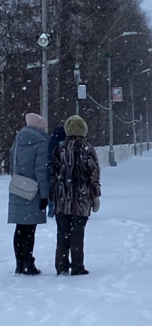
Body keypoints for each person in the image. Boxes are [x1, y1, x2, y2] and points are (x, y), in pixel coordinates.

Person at [51, 115, 100, 276]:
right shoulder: (87, 149)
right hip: (81, 198)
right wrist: (95, 195)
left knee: (62, 234)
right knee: (77, 234)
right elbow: (94, 174)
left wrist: (54, 193)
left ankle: (61, 266)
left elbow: (53, 173)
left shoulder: (59, 149)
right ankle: (77, 266)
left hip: (62, 198)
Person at [8, 113, 50, 275]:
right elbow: (41, 170)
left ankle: (19, 263)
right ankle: (28, 263)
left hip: (18, 188)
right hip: (34, 190)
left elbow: (13, 166)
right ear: (40, 127)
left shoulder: (17, 141)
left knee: (20, 228)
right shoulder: (41, 142)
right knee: (30, 230)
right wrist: (45, 195)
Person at [47, 124, 66, 218]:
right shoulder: (65, 143)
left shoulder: (50, 142)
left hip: (50, 170)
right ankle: (61, 209)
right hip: (62, 171)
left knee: (52, 191)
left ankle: (51, 210)